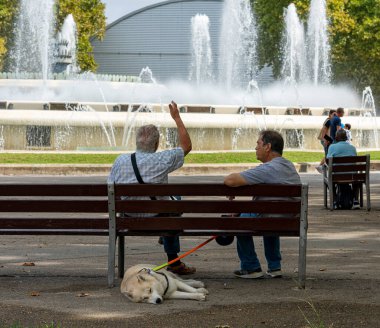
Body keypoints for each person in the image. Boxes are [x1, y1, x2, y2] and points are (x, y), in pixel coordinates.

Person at [108, 101, 196, 275]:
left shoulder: (120, 161)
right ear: (156, 145)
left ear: (136, 142)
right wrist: (176, 118)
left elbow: (110, 190)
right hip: (158, 217)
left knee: (170, 203)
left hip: (127, 218)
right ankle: (173, 260)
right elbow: (187, 147)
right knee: (175, 201)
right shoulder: (163, 159)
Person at [224, 130, 301, 279]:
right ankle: (274, 266)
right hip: (290, 219)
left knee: (239, 221)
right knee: (270, 215)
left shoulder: (268, 169)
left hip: (269, 218)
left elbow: (230, 180)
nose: (255, 148)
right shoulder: (289, 166)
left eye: (258, 144)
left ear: (268, 147)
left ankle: (250, 266)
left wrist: (234, 188)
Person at [327, 129, 359, 209]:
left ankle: (334, 201)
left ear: (336, 138)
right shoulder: (352, 148)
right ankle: (355, 200)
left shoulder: (332, 147)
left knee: (330, 180)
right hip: (351, 176)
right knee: (356, 177)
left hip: (336, 176)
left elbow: (328, 161)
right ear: (346, 138)